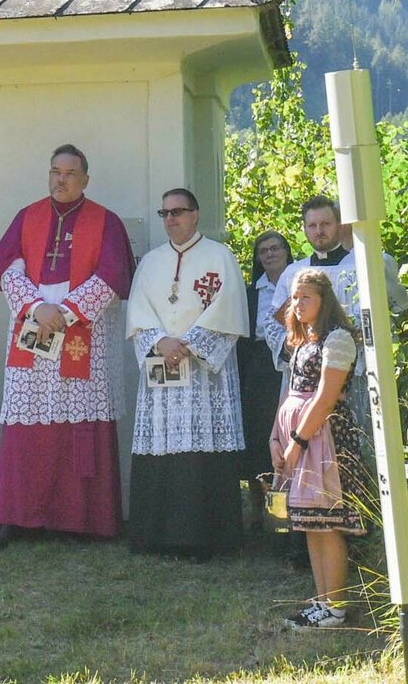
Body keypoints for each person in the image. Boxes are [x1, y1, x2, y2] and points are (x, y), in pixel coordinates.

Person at [0, 143, 134, 550]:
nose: (60, 180)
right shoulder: (27, 216)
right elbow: (7, 265)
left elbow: (110, 276)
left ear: (85, 179)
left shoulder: (106, 222)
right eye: (55, 172)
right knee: (24, 426)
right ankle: (16, 516)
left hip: (81, 335)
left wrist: (63, 314)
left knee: (79, 425)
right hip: (32, 331)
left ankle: (83, 519)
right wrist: (35, 308)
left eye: (69, 173)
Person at [124, 188, 249, 558]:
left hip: (203, 376)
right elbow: (139, 312)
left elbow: (229, 309)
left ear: (195, 214)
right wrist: (161, 341)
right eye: (164, 213)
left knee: (201, 452)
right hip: (162, 369)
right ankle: (157, 536)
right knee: (162, 446)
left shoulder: (220, 257)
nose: (170, 219)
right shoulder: (150, 262)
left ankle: (205, 539)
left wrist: (190, 344)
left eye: (178, 211)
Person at [269, 266, 371, 629]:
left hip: (324, 439)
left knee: (328, 523)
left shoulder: (337, 338)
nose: (297, 304)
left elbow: (326, 398)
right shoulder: (303, 340)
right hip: (300, 437)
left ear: (324, 300)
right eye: (294, 297)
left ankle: (337, 605)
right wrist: (276, 436)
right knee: (311, 524)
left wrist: (297, 442)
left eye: (305, 297)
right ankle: (323, 598)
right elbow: (291, 392)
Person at [267, 195, 408, 451]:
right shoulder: (294, 273)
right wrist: (294, 347)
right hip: (307, 377)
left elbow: (398, 311)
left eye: (326, 224)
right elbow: (273, 323)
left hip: (357, 372)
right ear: (304, 229)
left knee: (361, 440)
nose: (319, 231)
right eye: (312, 226)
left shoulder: (368, 262)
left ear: (339, 224)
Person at [237, 231, 292, 522]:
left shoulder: (298, 284)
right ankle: (259, 511)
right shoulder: (250, 293)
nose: (270, 254)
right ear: (258, 258)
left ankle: (287, 512)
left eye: (275, 248)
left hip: (289, 365)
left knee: (287, 436)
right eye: (263, 251)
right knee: (258, 437)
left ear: (286, 251)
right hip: (258, 369)